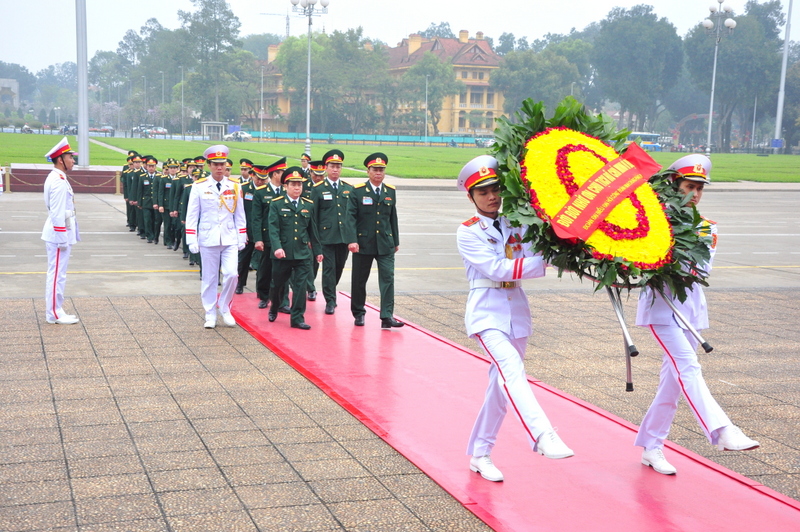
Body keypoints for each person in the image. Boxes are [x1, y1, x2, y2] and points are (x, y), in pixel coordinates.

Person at [635, 154, 759, 475]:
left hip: (690, 309)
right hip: (661, 308)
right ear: (674, 185)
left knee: (672, 385)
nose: (695, 194)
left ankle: (652, 445)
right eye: (689, 186)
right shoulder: (649, 222)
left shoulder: (707, 228)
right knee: (688, 367)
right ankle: (722, 430)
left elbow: (698, 270)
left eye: (700, 189)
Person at [457, 155, 574, 483]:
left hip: (516, 313)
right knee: (512, 370)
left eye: (495, 188)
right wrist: (545, 261)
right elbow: (497, 268)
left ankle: (481, 453)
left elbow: (542, 247)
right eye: (482, 192)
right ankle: (542, 434)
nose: (491, 196)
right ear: (471, 197)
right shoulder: (467, 232)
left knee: (499, 386)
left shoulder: (518, 222)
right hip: (486, 313)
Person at [185, 145, 247, 329]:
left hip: (229, 238)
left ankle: (225, 307)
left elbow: (240, 215)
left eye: (222, 164)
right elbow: (192, 215)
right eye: (215, 164)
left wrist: (242, 236)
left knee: (231, 274)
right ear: (209, 165)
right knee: (210, 278)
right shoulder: (199, 186)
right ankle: (210, 313)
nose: (219, 167)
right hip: (208, 237)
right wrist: (191, 239)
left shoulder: (235, 186)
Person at [349, 152, 403, 329]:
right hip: (363, 243)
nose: (378, 173)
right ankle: (358, 312)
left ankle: (387, 316)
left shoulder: (390, 191)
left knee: (388, 278)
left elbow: (392, 217)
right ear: (368, 171)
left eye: (381, 170)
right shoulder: (357, 192)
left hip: (385, 243)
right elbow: (350, 218)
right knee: (359, 280)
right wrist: (352, 240)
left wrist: (395, 240)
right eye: (375, 169)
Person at [267, 166, 323, 329]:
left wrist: (318, 251)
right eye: (293, 184)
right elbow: (273, 228)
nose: (297, 187)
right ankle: (274, 306)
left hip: (302, 253)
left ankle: (297, 318)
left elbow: (313, 230)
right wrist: (277, 247)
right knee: (277, 285)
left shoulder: (308, 205)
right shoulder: (276, 204)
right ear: (286, 186)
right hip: (282, 254)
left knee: (300, 287)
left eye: (300, 184)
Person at [311, 149, 355, 314]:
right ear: (326, 168)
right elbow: (313, 216)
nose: (335, 169)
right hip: (326, 237)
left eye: (338, 166)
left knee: (338, 268)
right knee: (329, 269)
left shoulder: (348, 189)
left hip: (343, 237)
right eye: (332, 166)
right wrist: (314, 239)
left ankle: (330, 292)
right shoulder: (318, 189)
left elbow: (352, 215)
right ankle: (330, 300)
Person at [42, 137, 80, 325]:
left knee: (59, 274)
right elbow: (57, 213)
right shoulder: (57, 181)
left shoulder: (58, 178)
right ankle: (54, 314)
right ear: (60, 160)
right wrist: (62, 238)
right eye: (70, 157)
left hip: (60, 232)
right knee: (57, 275)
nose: (73, 161)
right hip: (58, 235)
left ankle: (57, 309)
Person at [252, 157, 287, 309]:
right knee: (265, 269)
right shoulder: (261, 193)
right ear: (274, 174)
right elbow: (256, 218)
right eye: (282, 172)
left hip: (283, 238)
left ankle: (283, 301)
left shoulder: (288, 192)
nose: (285, 175)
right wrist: (258, 239)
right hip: (266, 238)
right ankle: (264, 296)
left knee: (284, 271)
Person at [236, 159, 256, 294]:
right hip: (247, 231)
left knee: (262, 263)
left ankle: (262, 289)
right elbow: (239, 211)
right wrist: (242, 231)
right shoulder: (244, 188)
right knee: (243, 261)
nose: (260, 180)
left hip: (261, 231)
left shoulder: (265, 190)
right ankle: (240, 283)